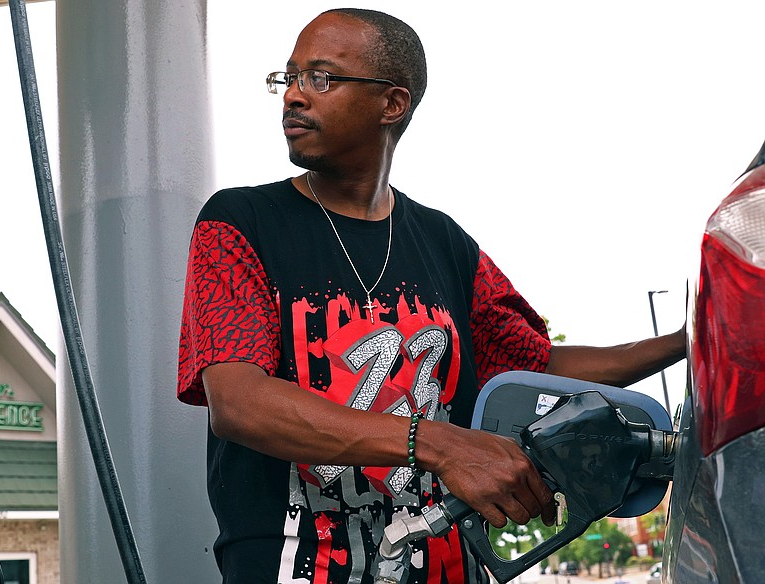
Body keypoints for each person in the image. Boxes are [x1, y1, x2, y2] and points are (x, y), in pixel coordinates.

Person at [177, 8, 685, 584]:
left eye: (320, 78)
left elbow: (538, 365)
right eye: (288, 77)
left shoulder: (445, 242)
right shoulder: (239, 222)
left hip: (447, 564)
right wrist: (440, 445)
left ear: (392, 103)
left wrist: (692, 340)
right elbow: (240, 403)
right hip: (292, 566)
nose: (293, 96)